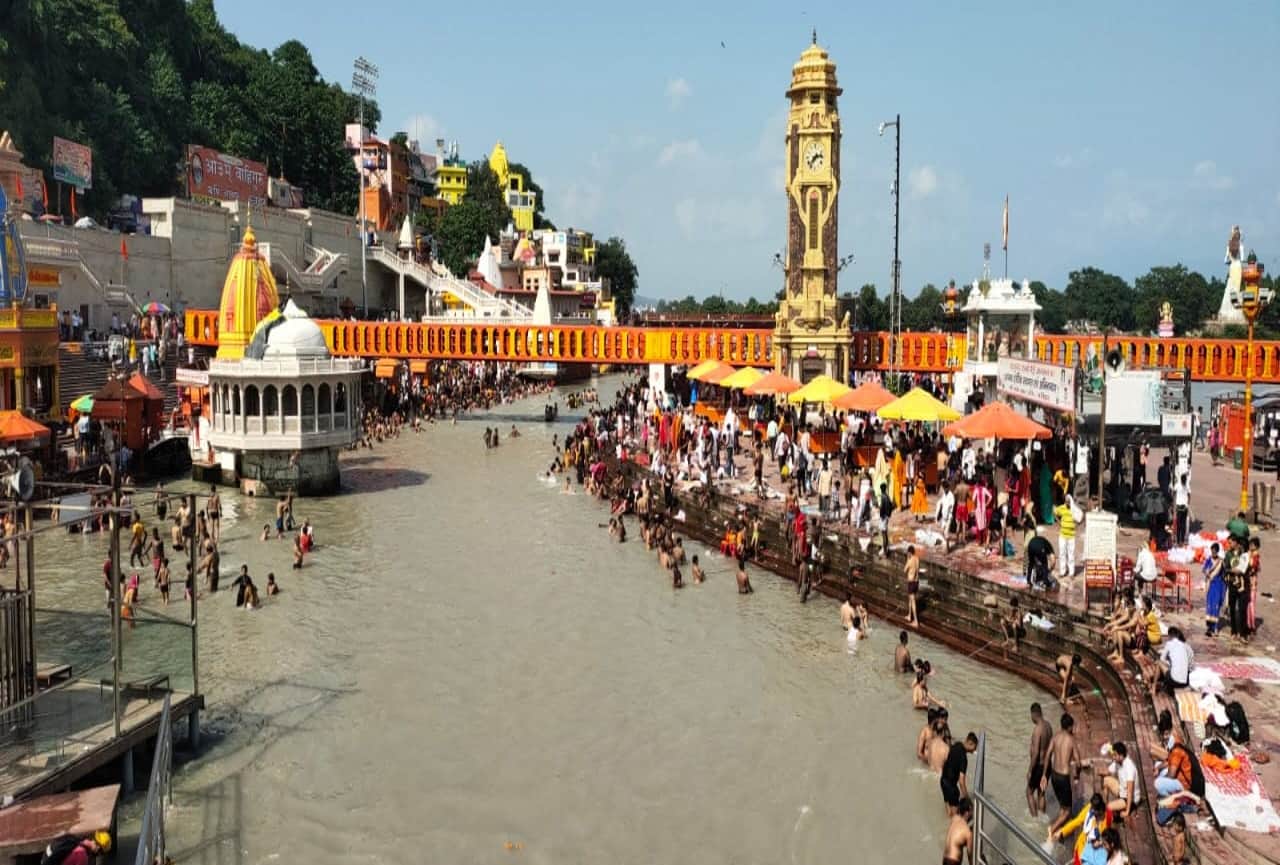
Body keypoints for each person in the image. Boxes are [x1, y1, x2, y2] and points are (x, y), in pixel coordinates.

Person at [1044, 713, 1084, 838]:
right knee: (1068, 811)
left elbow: (1047, 755)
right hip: (1063, 777)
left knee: (1063, 805)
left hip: (1054, 776)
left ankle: (1059, 830)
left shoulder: (1055, 737)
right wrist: (1077, 775)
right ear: (1070, 727)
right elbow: (1078, 762)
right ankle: (1052, 829)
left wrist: (1044, 775)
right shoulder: (1071, 740)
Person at [1048, 793, 1111, 865]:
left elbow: (1108, 835)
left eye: (1093, 810)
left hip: (1096, 854)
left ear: (1099, 810)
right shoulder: (1089, 809)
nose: (1091, 810)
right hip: (1082, 849)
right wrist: (1062, 832)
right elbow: (1077, 821)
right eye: (1091, 808)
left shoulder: (1108, 816)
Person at [940, 732, 978, 816]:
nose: (974, 751)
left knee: (949, 814)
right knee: (955, 818)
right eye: (974, 748)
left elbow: (944, 760)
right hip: (951, 787)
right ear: (970, 743)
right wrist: (967, 800)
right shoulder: (963, 758)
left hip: (943, 781)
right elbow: (961, 782)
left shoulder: (956, 745)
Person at [1102, 741, 1141, 818]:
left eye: (1115, 755)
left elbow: (1130, 792)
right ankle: (1104, 806)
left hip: (1130, 798)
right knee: (1106, 780)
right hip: (1122, 790)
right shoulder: (1118, 762)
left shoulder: (1129, 768)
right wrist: (1099, 772)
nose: (1113, 757)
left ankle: (1109, 820)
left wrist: (1127, 812)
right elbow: (1108, 771)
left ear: (1121, 755)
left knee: (1109, 807)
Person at [1027, 702, 1053, 818]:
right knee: (1041, 793)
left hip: (1038, 766)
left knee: (1029, 793)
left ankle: (1034, 819)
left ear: (1033, 714)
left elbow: (1036, 753)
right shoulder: (1048, 726)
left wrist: (1030, 770)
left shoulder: (1038, 730)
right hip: (1047, 766)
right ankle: (1042, 818)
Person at [41, 830, 111, 865]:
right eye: (101, 853)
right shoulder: (82, 854)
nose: (99, 855)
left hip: (46, 858)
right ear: (98, 848)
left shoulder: (81, 840)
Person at [941, 796, 973, 865]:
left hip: (945, 859)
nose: (972, 814)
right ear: (968, 812)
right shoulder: (967, 832)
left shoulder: (954, 819)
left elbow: (957, 839)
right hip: (953, 862)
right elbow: (970, 854)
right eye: (972, 811)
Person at [904, 545, 920, 627]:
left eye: (908, 553)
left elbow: (904, 570)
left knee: (913, 602)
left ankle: (916, 622)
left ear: (909, 552)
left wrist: (907, 559)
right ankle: (909, 616)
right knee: (910, 599)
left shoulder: (910, 561)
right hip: (917, 582)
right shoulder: (917, 559)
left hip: (911, 582)